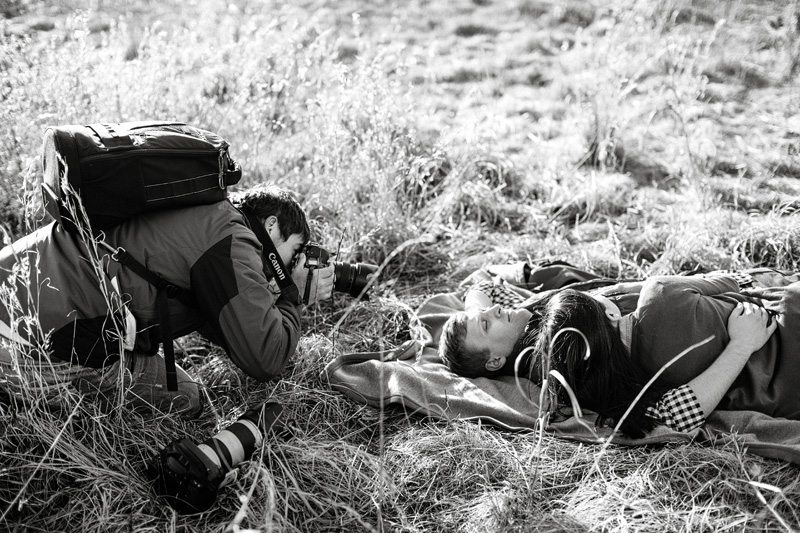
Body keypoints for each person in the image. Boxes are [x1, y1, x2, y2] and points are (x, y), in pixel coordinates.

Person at [0, 183, 335, 417]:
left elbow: (229, 326)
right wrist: (292, 294)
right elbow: (265, 359)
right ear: (272, 225)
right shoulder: (233, 242)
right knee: (184, 398)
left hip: (17, 277)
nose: (290, 265)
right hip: (34, 332)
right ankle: (22, 386)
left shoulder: (207, 212)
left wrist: (269, 295)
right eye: (294, 252)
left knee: (179, 387)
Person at [442, 273, 790, 437]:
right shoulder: (659, 296)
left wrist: (474, 317)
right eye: (485, 324)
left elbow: (481, 289)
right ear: (609, 309)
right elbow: (730, 282)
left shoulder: (565, 363)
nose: (493, 310)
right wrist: (741, 345)